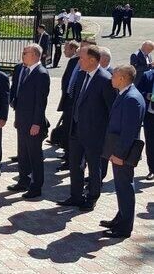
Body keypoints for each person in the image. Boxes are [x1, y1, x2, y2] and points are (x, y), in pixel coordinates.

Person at [57, 45, 116, 211]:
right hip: (76, 130)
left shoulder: (105, 79)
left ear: (92, 60)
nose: (78, 61)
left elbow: (111, 109)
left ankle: (92, 197)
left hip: (94, 134)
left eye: (81, 58)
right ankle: (76, 196)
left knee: (94, 166)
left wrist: (105, 134)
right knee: (75, 165)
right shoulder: (82, 75)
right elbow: (76, 102)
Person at [100, 65, 145, 238]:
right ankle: (121, 218)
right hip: (118, 150)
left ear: (123, 78)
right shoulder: (125, 94)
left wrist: (119, 154)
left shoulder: (131, 98)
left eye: (114, 76)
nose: (111, 78)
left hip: (123, 154)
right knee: (122, 187)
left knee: (125, 188)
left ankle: (125, 227)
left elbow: (128, 131)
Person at [8, 44, 50, 199]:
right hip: (22, 120)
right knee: (23, 153)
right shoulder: (25, 70)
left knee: (35, 156)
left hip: (33, 123)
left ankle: (36, 186)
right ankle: (23, 180)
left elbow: (41, 102)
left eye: (25, 53)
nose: (22, 55)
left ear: (35, 55)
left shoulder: (41, 73)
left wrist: (36, 123)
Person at [55, 41, 81, 171]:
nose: (64, 51)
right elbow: (67, 80)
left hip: (76, 106)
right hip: (68, 101)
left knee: (72, 132)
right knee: (66, 130)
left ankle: (72, 160)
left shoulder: (83, 65)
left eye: (66, 49)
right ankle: (67, 155)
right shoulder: (73, 62)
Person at [135, 67, 154, 180]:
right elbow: (138, 91)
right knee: (151, 143)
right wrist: (147, 94)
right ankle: (152, 169)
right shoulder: (147, 75)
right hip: (150, 115)